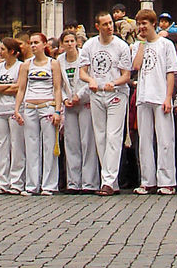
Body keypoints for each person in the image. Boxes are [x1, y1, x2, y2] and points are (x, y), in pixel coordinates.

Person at [79, 11, 132, 196]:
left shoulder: (121, 46)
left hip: (116, 94)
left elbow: (126, 75)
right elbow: (83, 72)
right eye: (105, 24)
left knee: (113, 135)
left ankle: (108, 181)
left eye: (111, 23)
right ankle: (111, 180)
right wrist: (90, 80)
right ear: (97, 27)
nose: (109, 27)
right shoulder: (89, 45)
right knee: (100, 136)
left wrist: (114, 83)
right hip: (97, 94)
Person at [131, 9, 177, 196]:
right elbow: (135, 66)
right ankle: (147, 181)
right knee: (144, 141)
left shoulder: (166, 45)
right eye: (140, 24)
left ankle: (167, 181)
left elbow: (171, 72)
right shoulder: (137, 45)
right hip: (143, 96)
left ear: (153, 24)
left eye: (145, 23)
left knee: (165, 140)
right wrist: (142, 43)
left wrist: (168, 97)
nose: (142, 27)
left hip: (160, 97)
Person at [14, 32, 63, 196]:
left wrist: (57, 110)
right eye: (31, 43)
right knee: (31, 146)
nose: (33, 45)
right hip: (30, 107)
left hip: (47, 106)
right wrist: (17, 109)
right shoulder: (26, 65)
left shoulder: (53, 64)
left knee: (49, 147)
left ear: (44, 45)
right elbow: (21, 89)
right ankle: (32, 185)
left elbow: (57, 88)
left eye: (37, 42)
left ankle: (49, 185)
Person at [58, 27, 98, 193]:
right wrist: (65, 98)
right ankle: (73, 182)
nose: (69, 44)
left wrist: (79, 96)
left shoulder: (84, 57)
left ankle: (89, 183)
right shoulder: (59, 60)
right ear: (62, 44)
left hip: (84, 103)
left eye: (72, 41)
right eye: (66, 42)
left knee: (87, 142)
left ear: (77, 42)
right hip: (69, 105)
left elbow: (91, 80)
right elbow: (58, 84)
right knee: (71, 143)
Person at [0, 37, 26, 194]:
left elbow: (20, 87)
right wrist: (8, 87)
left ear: (12, 52)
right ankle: (2, 182)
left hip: (14, 108)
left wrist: (1, 87)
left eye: (3, 49)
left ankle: (16, 182)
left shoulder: (21, 66)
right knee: (0, 145)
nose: (0, 52)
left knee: (16, 145)